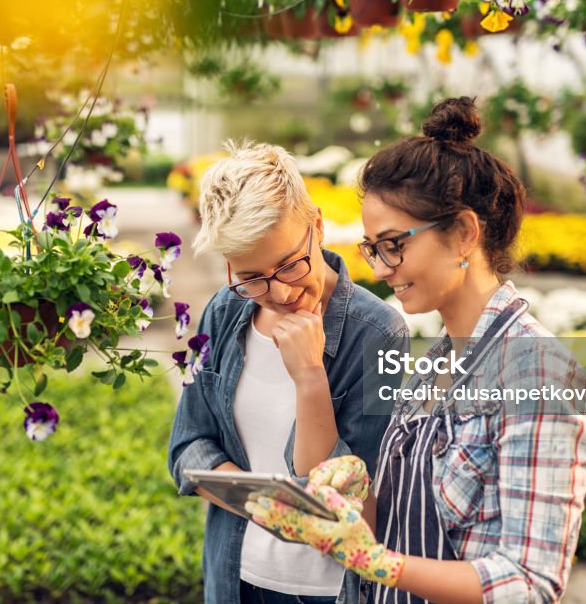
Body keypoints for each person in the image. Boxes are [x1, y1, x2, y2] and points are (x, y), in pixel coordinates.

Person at [247, 98, 586, 604]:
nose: (379, 268)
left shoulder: (536, 373)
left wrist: (375, 563)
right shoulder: (437, 363)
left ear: (463, 233)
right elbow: (394, 527)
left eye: (394, 243)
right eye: (372, 248)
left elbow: (529, 582)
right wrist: (348, 495)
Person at [168, 140, 411, 604]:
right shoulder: (224, 312)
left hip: (324, 590)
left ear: (317, 226)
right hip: (233, 575)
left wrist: (310, 378)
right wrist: (263, 507)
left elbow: (346, 500)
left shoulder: (378, 333)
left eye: (288, 265)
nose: (278, 293)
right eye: (252, 276)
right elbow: (187, 445)